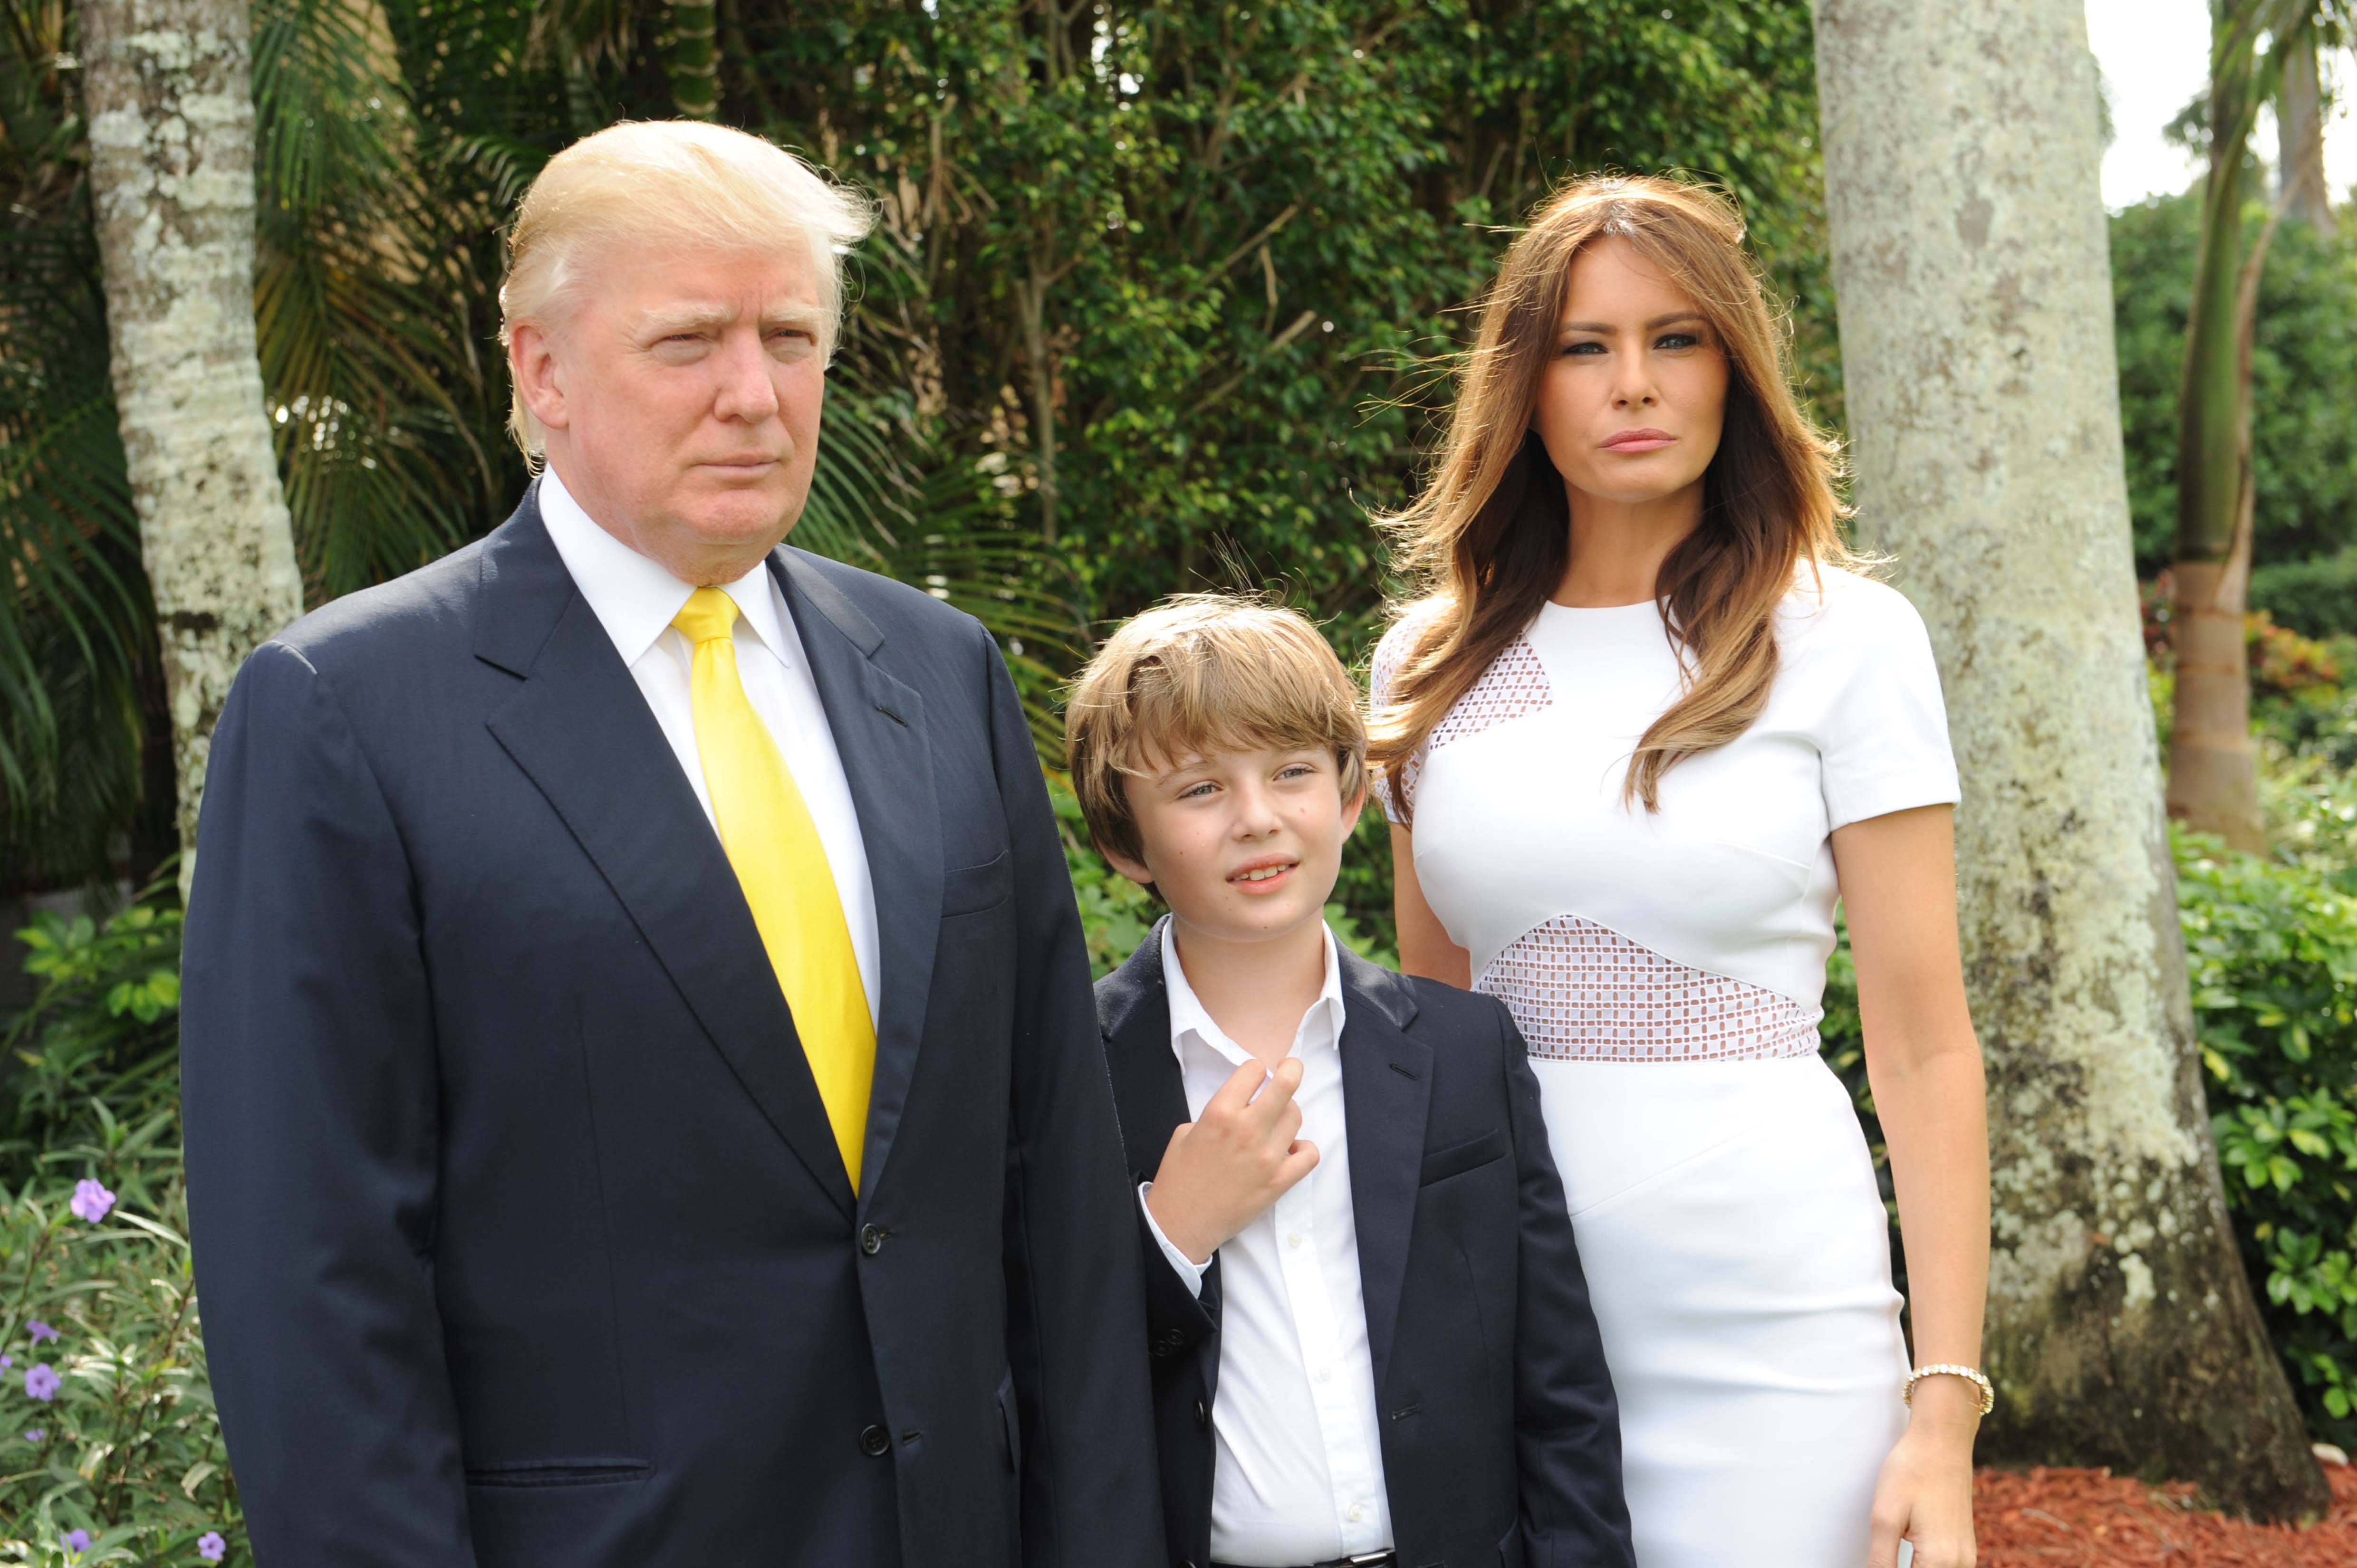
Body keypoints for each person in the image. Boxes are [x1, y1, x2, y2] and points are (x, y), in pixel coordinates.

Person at [178, 121, 1161, 1568]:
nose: (754, 395)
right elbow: (312, 1287)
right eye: (689, 340)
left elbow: (1055, 1184)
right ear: (543, 372)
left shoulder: (937, 668)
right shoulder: (348, 712)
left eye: (791, 334)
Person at [1369, 174, 1992, 1568]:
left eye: (1677, 339)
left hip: (1774, 1322)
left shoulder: (1848, 639)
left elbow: (1925, 1045)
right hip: (1511, 1314)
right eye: (1585, 347)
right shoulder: (1428, 664)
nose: (1632, 384)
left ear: (1736, 369)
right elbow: (1437, 1031)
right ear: (1525, 388)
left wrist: (1942, 1414)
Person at [1066, 595, 1635, 1568]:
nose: (1257, 820)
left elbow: (1559, 1388)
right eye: (1199, 791)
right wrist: (1170, 1235)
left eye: (1290, 773)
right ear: (1125, 845)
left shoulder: (1463, 1050)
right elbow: (1041, 1376)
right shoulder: (1066, 1075)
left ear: (1349, 797)